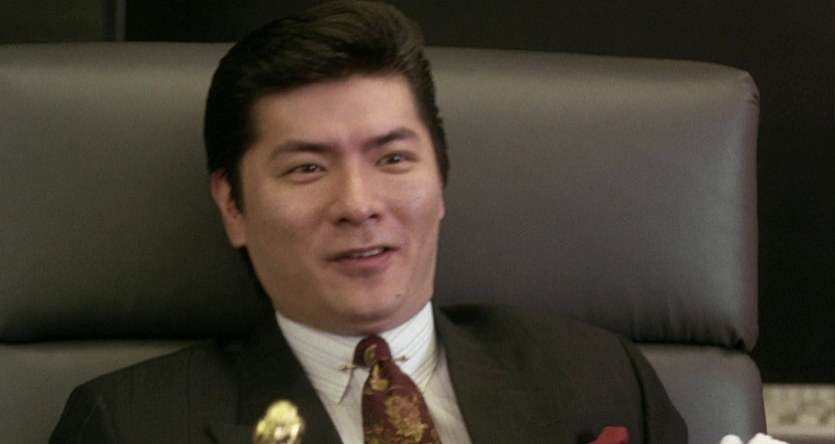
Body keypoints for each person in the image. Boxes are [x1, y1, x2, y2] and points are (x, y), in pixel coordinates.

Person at [50, 1, 687, 443]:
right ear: (233, 206)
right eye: (306, 168)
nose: (358, 204)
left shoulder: (599, 377)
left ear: (441, 179)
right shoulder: (129, 423)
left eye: (393, 159)